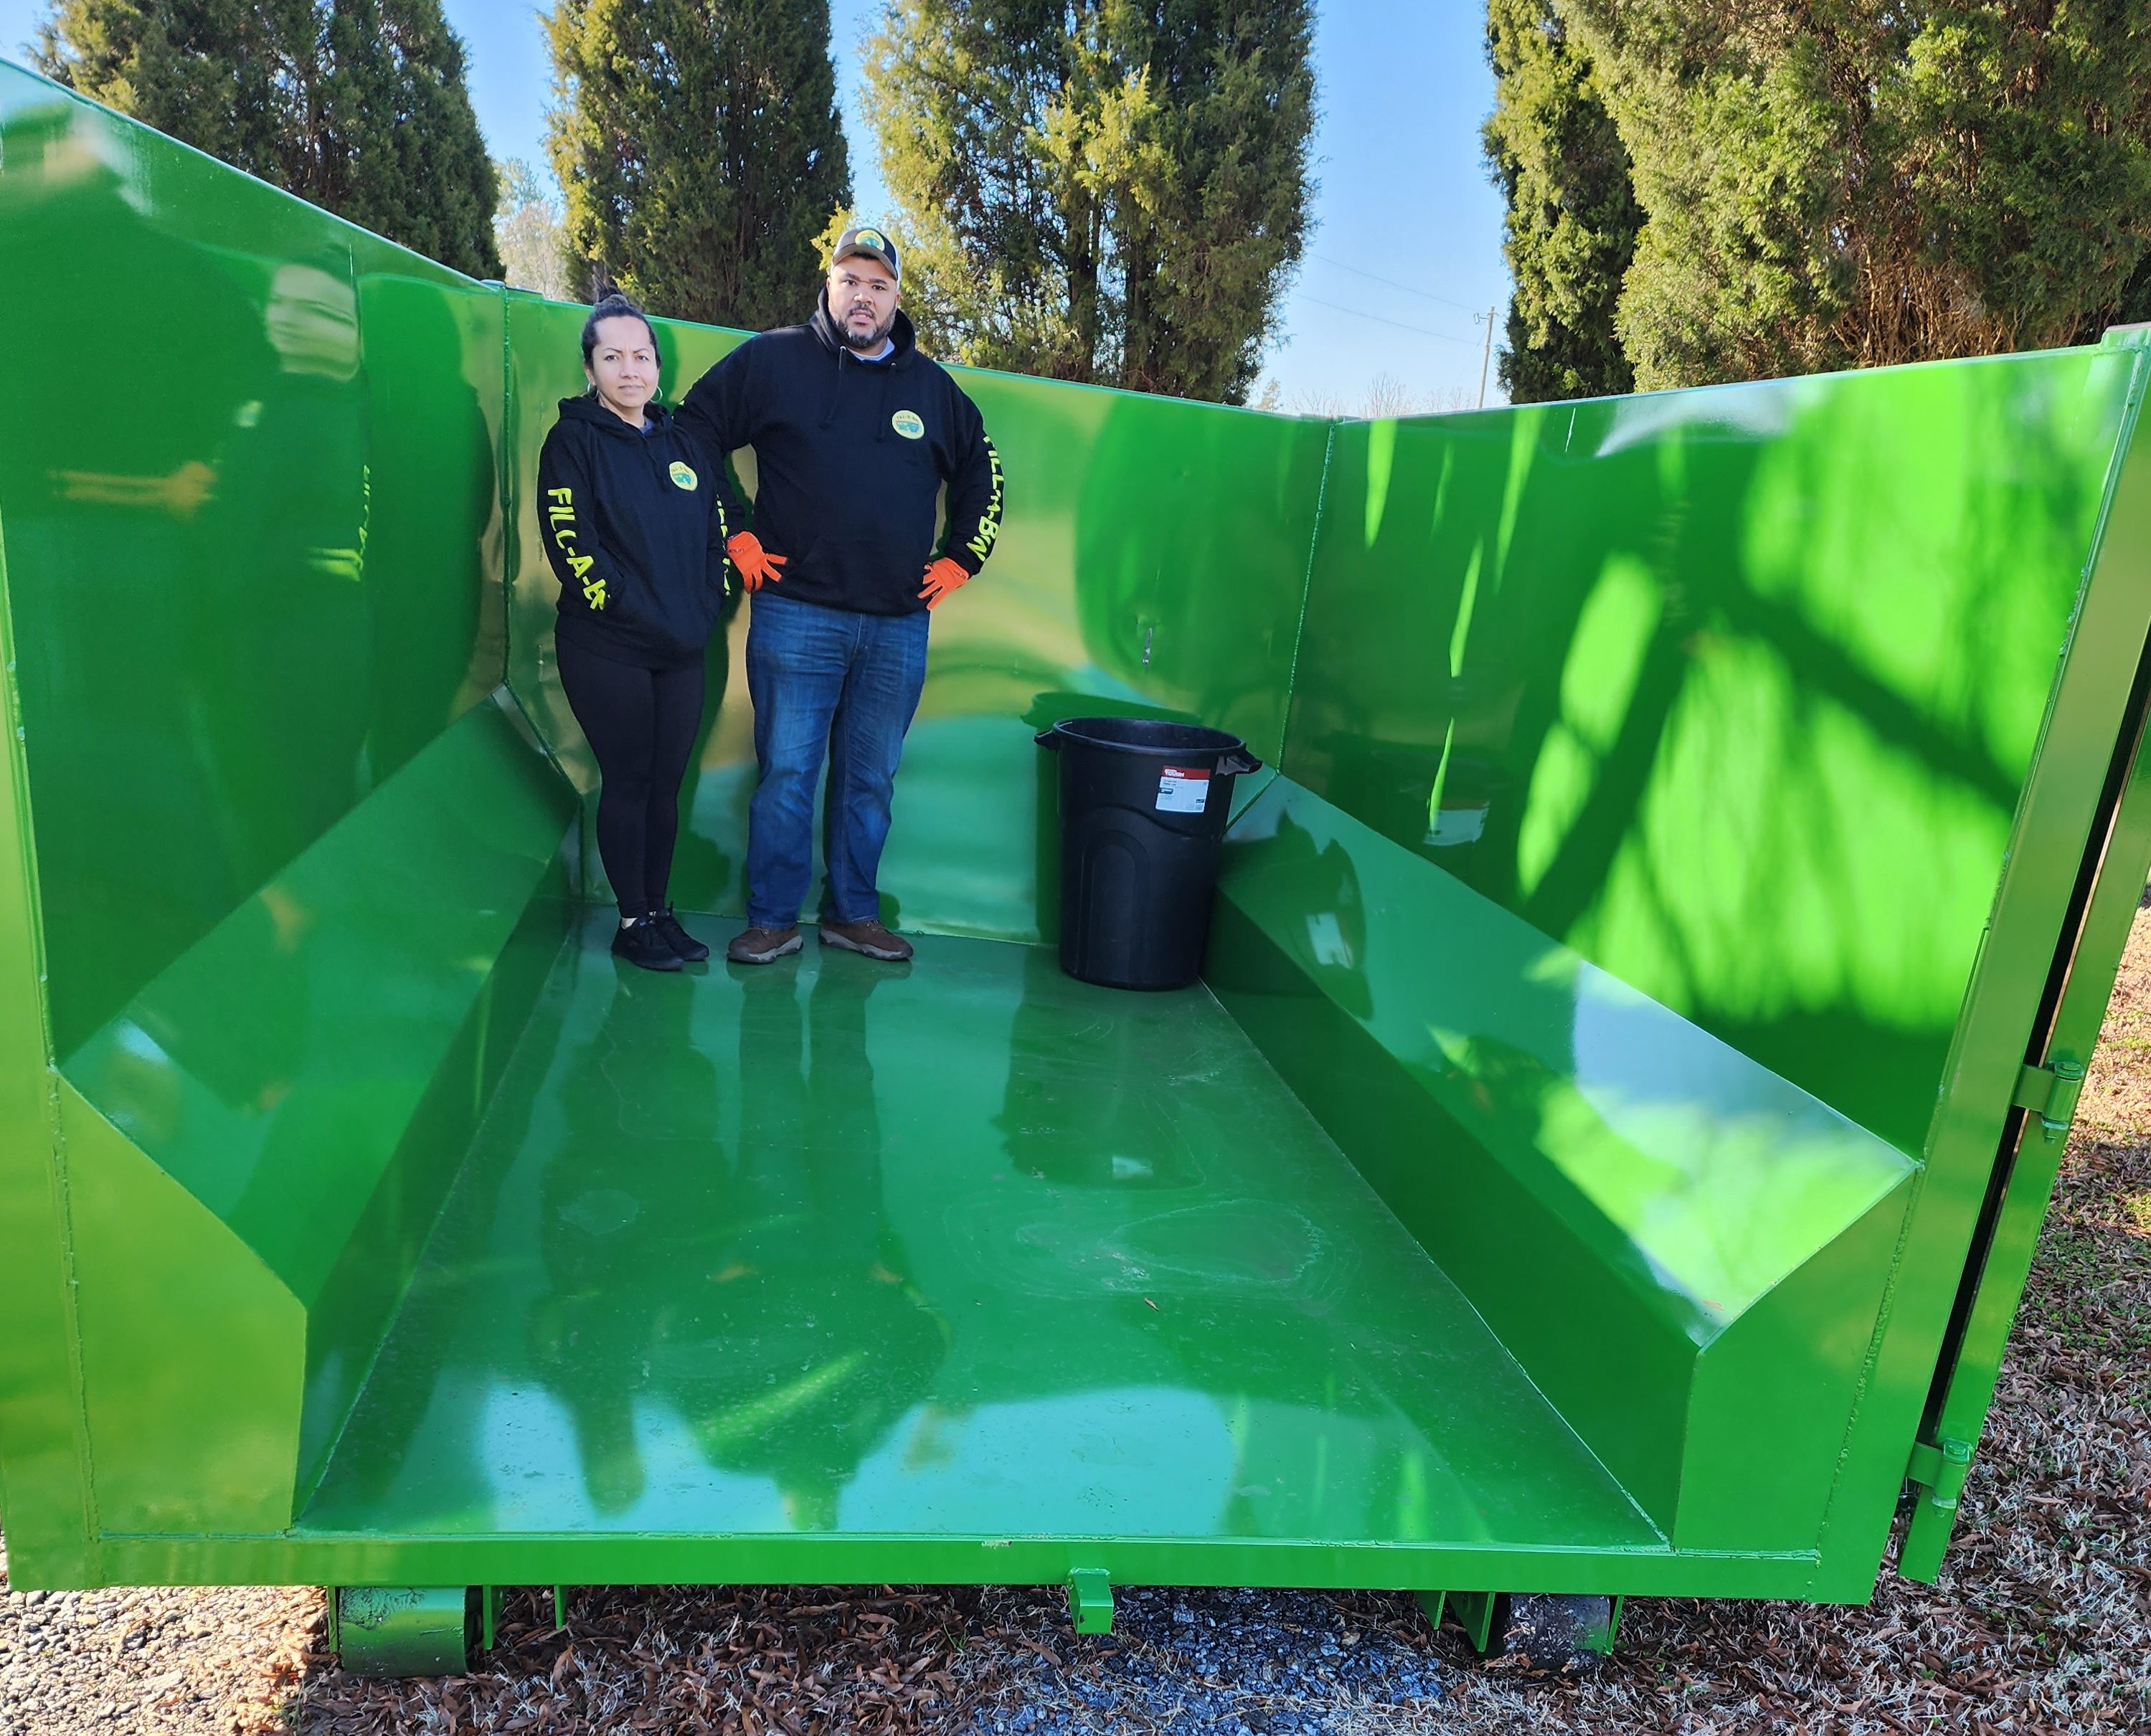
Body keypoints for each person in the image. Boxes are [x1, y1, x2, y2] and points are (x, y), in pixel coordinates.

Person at [676, 226, 1004, 967]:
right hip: (796, 614)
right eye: (850, 281)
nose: (863, 296)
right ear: (828, 287)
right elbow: (693, 430)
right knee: (787, 772)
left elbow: (985, 473)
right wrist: (733, 530)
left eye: (878, 285)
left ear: (896, 298)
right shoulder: (772, 360)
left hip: (897, 626)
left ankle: (853, 915)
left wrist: (962, 559)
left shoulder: (933, 390)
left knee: (870, 781)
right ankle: (771, 919)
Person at [537, 293, 734, 972]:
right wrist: (633, 609)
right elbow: (572, 546)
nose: (630, 370)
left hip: (682, 650)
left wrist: (709, 600)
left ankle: (657, 910)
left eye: (641, 356)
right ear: (591, 369)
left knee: (665, 784)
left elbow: (716, 532)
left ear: (657, 365)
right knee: (629, 778)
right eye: (613, 357)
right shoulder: (572, 442)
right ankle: (630, 921)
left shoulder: (682, 443)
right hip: (607, 647)